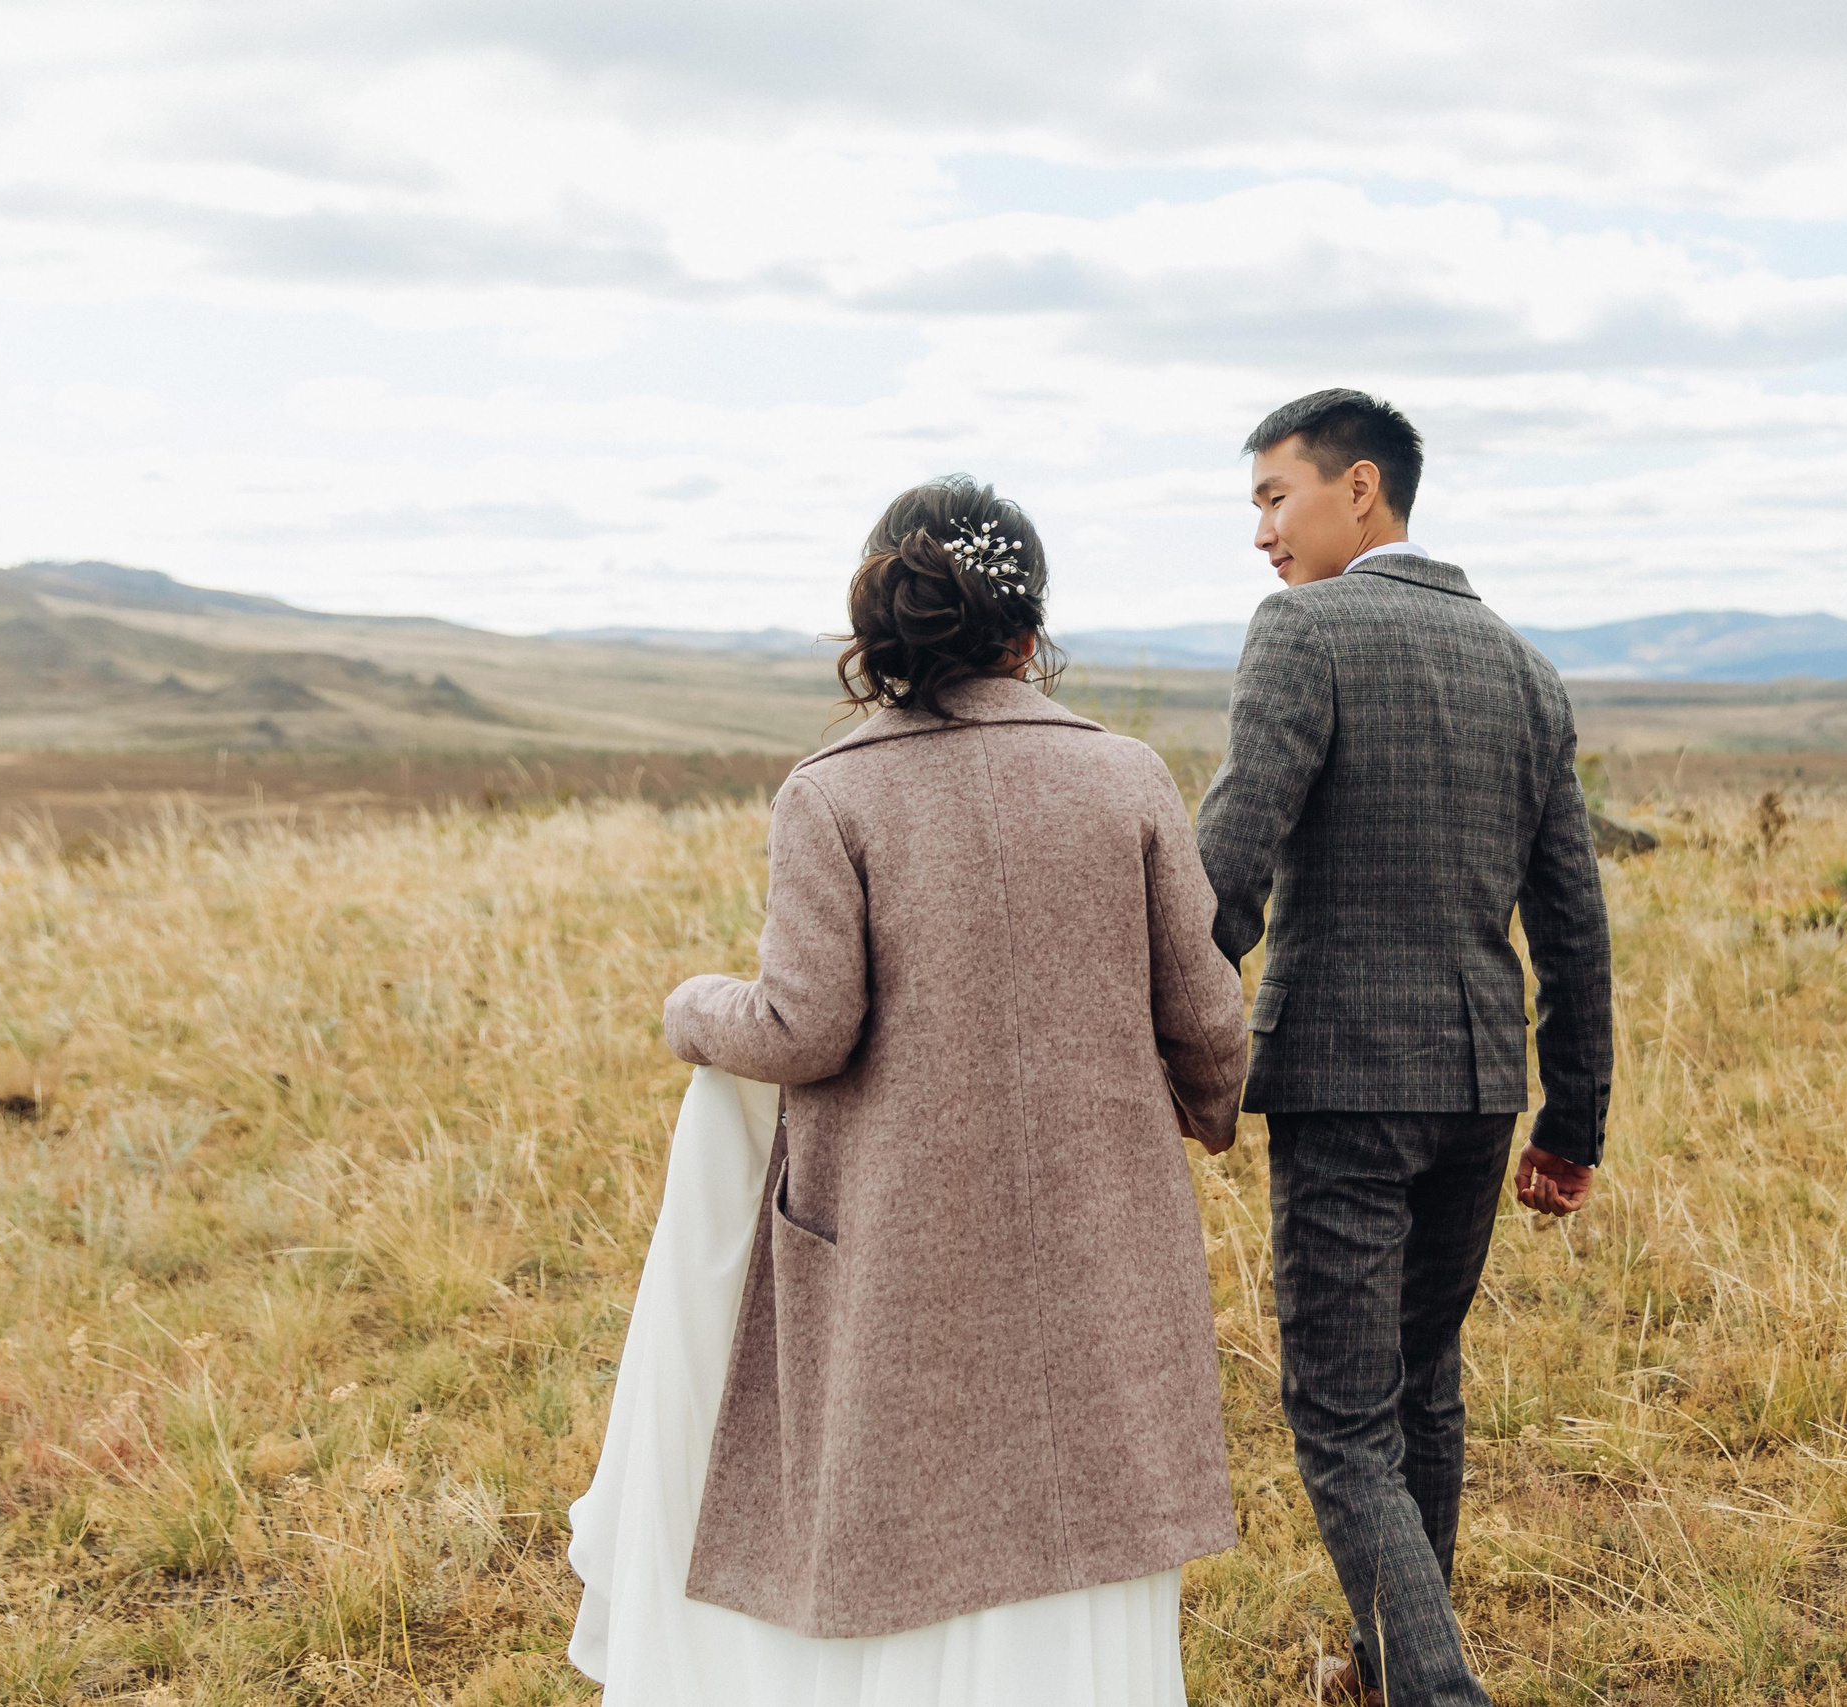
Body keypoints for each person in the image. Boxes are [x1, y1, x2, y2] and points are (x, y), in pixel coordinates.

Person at [573, 475, 1248, 1707]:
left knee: (910, 1530)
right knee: (1084, 1510)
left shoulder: (830, 791)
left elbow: (801, 1028)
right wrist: (1207, 1116)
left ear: (879, 624)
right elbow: (1205, 1016)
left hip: (902, 1251)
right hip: (1101, 1239)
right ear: (1030, 633)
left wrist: (689, 1006)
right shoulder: (1130, 777)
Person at [1195, 390, 1614, 1705]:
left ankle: (1435, 1690)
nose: (1261, 532)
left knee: (1340, 1413)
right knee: (1420, 1385)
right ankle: (1385, 1672)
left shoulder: (1303, 633)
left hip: (1345, 1081)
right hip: (1482, 1088)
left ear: (1358, 488)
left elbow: (1228, 865)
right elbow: (1572, 920)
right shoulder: (1524, 668)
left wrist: (1153, 1028)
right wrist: (1572, 1121)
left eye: (1275, 496)